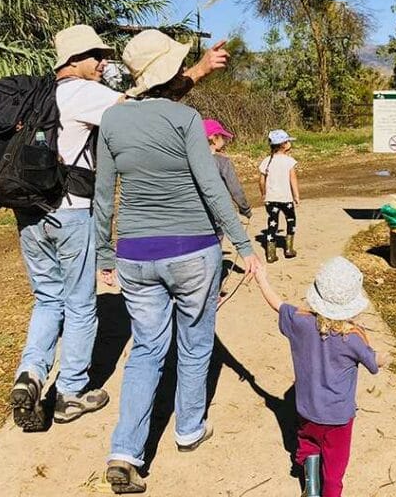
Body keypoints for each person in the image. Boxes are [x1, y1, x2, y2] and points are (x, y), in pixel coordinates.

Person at [9, 25, 226, 433]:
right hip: (70, 211)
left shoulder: (37, 96)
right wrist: (197, 72)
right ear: (73, 61)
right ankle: (71, 391)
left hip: (28, 214)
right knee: (78, 303)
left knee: (46, 298)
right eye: (96, 56)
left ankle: (31, 372)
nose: (103, 62)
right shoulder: (87, 94)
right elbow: (148, 107)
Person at [94, 30, 262, 494]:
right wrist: (243, 245)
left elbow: (104, 195)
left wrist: (105, 253)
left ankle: (125, 450)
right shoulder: (186, 119)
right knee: (194, 340)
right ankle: (188, 428)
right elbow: (211, 187)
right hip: (193, 250)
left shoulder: (112, 121)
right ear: (171, 71)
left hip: (134, 255)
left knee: (146, 349)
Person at [253, 257, 380, 497]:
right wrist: (383, 358)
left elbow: (277, 304)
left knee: (309, 443)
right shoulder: (352, 338)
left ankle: (310, 487)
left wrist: (262, 279)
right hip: (338, 418)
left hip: (307, 409)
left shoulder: (301, 322)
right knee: (334, 472)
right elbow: (374, 364)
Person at [259, 129, 300, 263]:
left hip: (271, 199)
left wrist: (264, 193)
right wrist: (296, 196)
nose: (289, 143)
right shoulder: (289, 161)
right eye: (288, 141)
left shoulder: (267, 161)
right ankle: (288, 249)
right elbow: (293, 179)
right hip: (286, 199)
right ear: (283, 145)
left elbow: (261, 180)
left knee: (272, 223)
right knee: (291, 220)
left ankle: (270, 253)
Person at [205, 119, 252, 221]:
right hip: (217, 211)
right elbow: (235, 189)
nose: (224, 140)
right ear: (214, 138)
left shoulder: (189, 161)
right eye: (222, 137)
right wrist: (245, 209)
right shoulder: (223, 162)